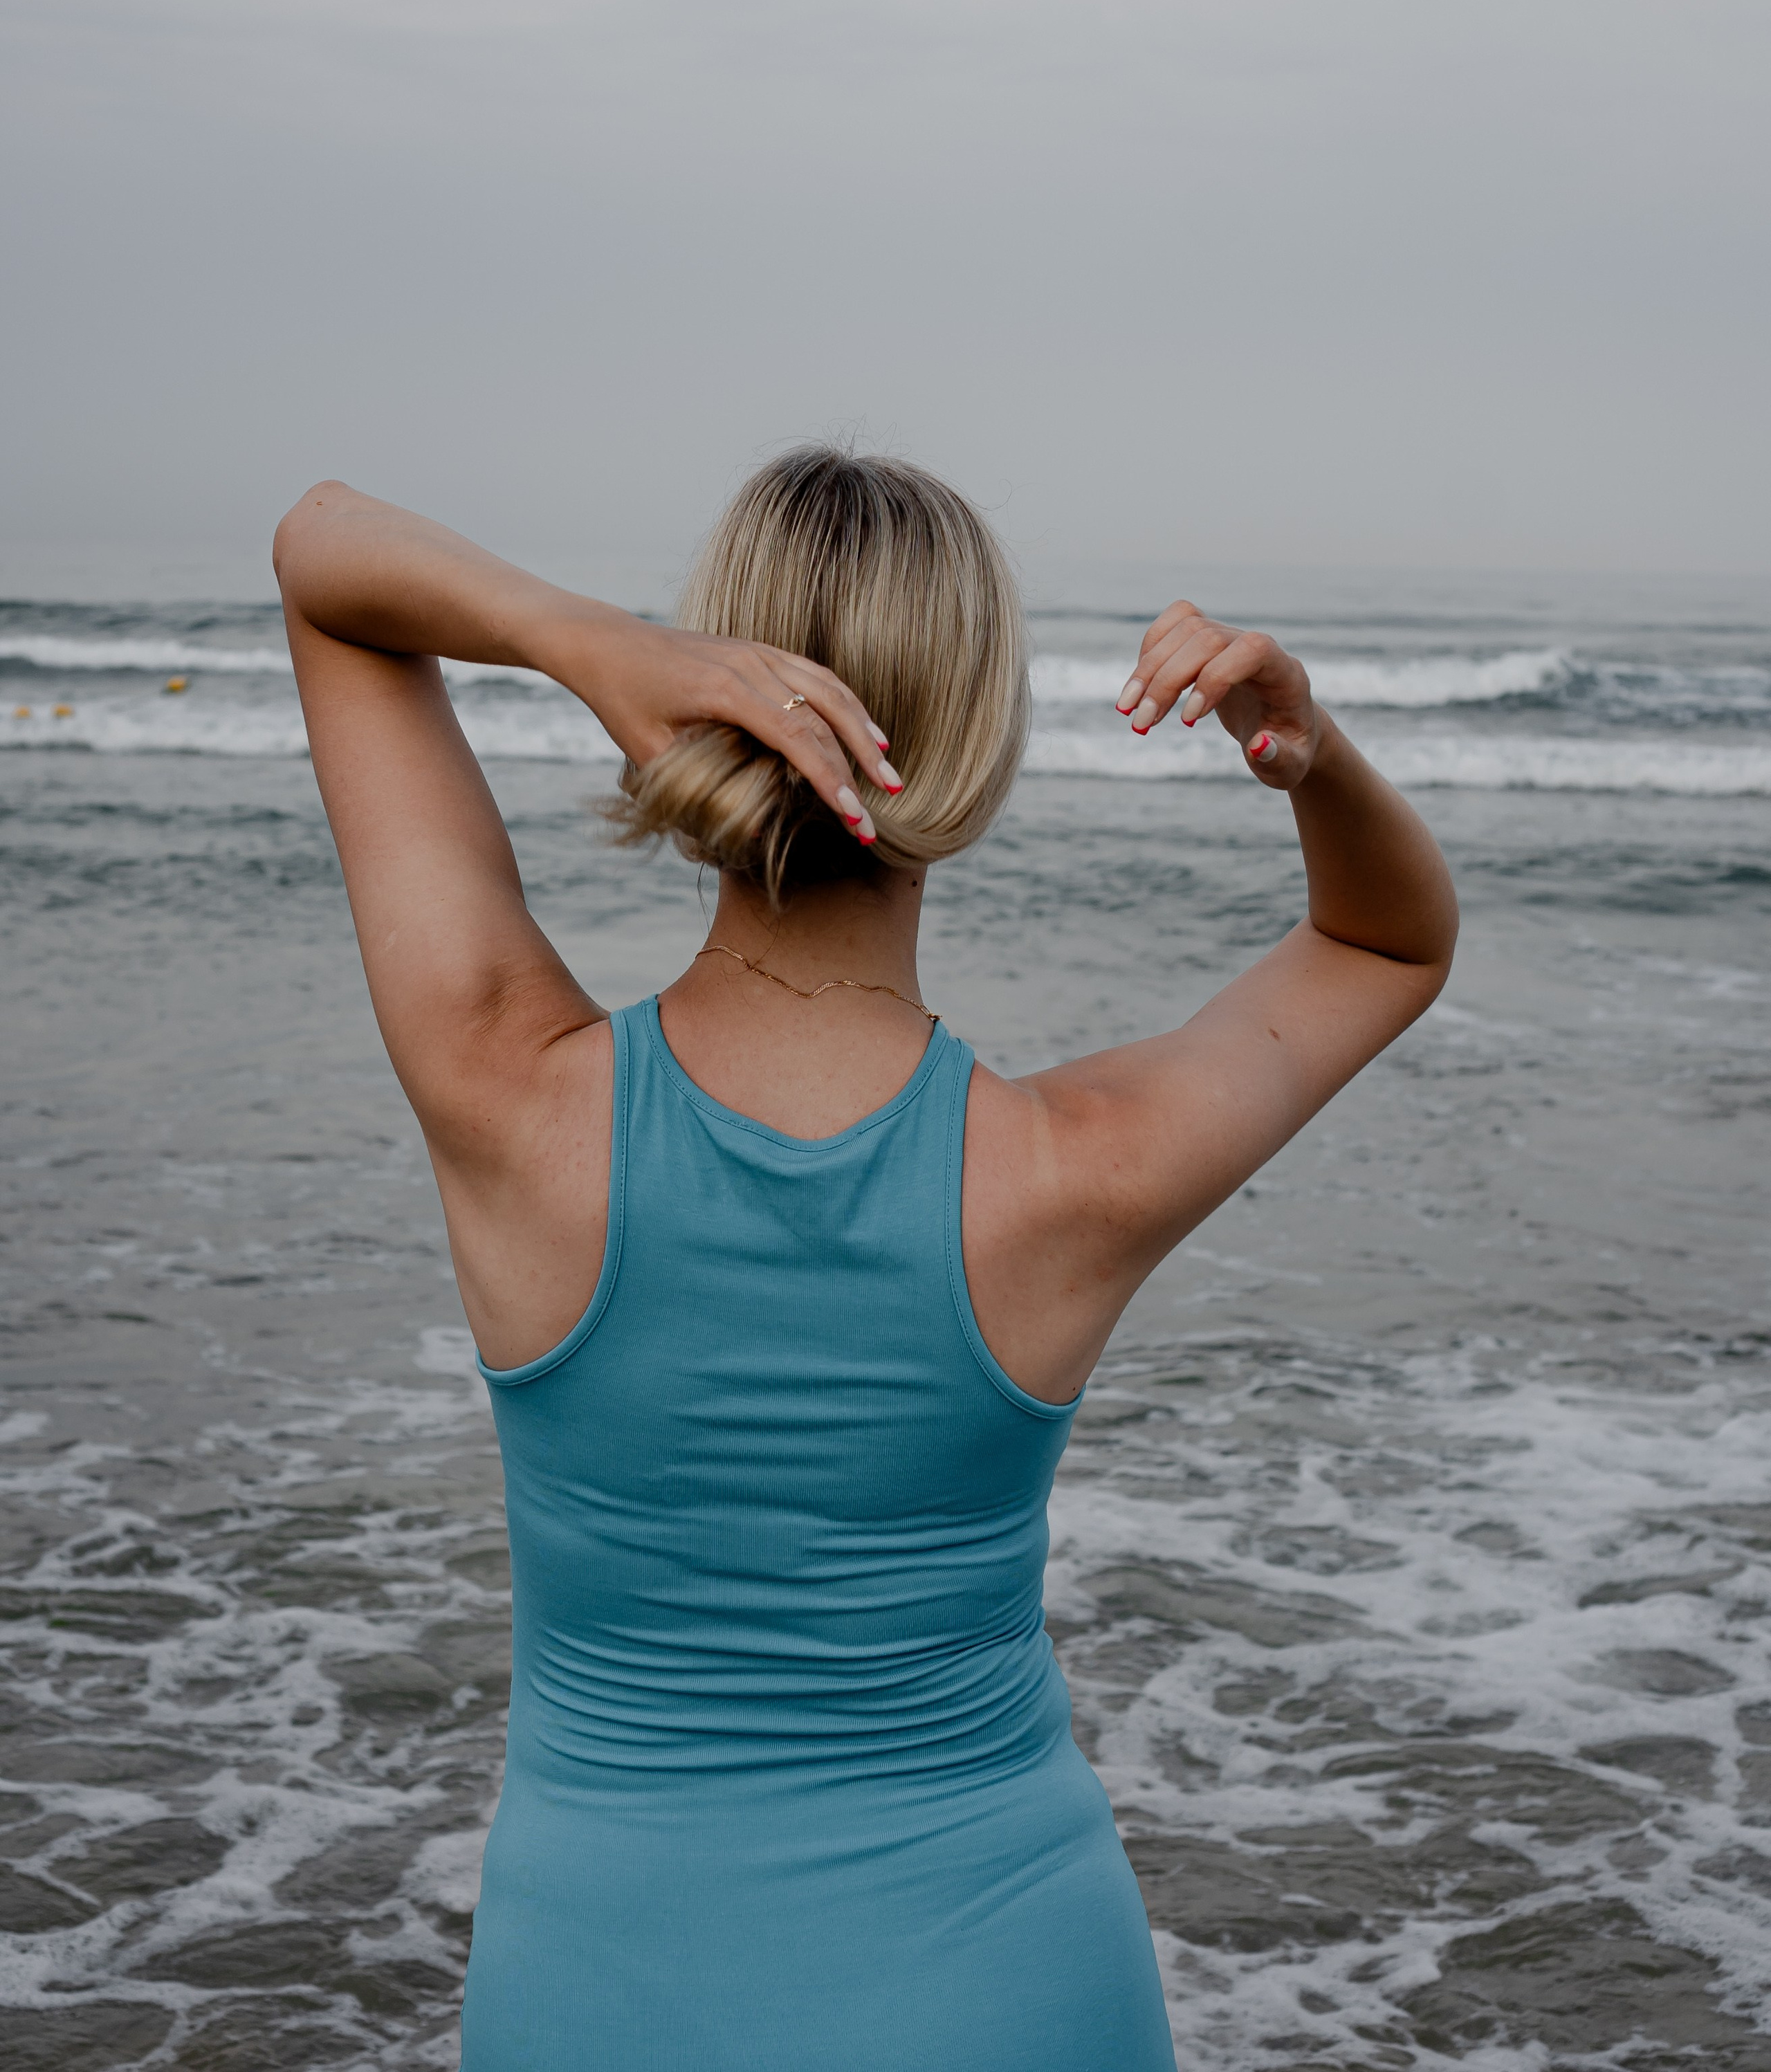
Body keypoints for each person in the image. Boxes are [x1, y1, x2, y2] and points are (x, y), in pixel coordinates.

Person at [273, 447, 1457, 2072]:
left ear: (690, 700)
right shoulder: (1079, 1170)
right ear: (979, 749)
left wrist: (588, 643)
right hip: (1012, 1987)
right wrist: (1306, 752)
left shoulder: (506, 1091)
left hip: (601, 1987)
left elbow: (325, 557)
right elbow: (1386, 941)